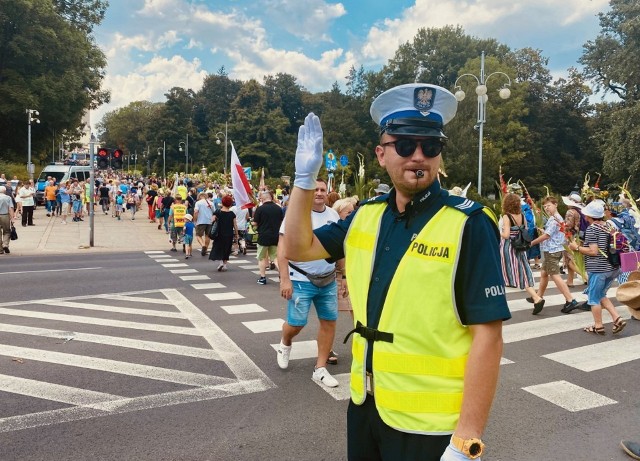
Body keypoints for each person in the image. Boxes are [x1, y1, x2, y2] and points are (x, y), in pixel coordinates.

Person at [284, 84, 511, 460]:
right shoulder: (365, 215)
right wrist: (304, 182)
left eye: (430, 146)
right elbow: (296, 246)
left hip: (431, 427)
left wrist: (467, 441)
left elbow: (489, 335)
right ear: (381, 154)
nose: (418, 156)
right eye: (405, 145)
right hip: (366, 404)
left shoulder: (469, 223)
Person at [277, 178, 341, 388]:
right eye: (315, 190)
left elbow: (340, 246)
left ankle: (320, 369)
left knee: (329, 322)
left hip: (328, 278)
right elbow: (283, 247)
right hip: (301, 277)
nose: (319, 193)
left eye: (323, 190)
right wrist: (284, 279)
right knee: (296, 323)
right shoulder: (297, 215)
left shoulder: (333, 215)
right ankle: (285, 342)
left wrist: (344, 275)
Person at [568, 201, 626, 335]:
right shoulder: (609, 226)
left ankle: (598, 326)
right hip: (613, 267)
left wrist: (576, 247)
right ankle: (617, 318)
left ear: (589, 216)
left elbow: (593, 251)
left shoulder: (592, 229)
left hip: (599, 269)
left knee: (593, 298)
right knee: (601, 295)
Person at [529, 196, 584, 314]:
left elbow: (547, 236)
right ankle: (538, 296)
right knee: (544, 273)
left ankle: (570, 300)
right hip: (554, 249)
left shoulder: (555, 219)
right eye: (544, 206)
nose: (546, 208)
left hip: (552, 251)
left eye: (548, 205)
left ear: (555, 205)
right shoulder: (555, 218)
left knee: (555, 275)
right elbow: (552, 234)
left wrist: (532, 243)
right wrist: (544, 231)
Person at [499, 193, 545, 314]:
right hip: (521, 247)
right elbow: (525, 230)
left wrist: (499, 231)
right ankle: (535, 297)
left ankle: (536, 298)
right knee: (522, 270)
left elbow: (506, 235)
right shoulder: (522, 215)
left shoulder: (506, 217)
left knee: (511, 272)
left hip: (509, 247)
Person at [252, 190, 283, 285]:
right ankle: (282, 274)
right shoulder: (278, 208)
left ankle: (263, 277)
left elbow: (255, 223)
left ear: (263, 198)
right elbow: (281, 222)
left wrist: (251, 223)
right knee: (275, 257)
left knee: (261, 257)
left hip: (263, 236)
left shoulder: (260, 209)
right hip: (275, 235)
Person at [208, 195, 238, 272]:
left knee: (218, 248)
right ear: (230, 204)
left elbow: (212, 220)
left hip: (219, 234)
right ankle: (224, 265)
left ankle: (220, 262)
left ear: (222, 202)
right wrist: (236, 234)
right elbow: (235, 225)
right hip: (229, 234)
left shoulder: (218, 212)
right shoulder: (232, 214)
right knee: (227, 249)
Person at [561, 194, 584, 287]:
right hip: (578, 236)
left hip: (571, 236)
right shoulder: (581, 211)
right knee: (571, 258)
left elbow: (568, 225)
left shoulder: (570, 212)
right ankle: (569, 281)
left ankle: (585, 277)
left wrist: (562, 227)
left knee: (570, 260)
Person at [0, 186, 16, 254]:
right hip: (5, 215)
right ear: (5, 191)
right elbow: (10, 208)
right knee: (7, 231)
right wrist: (12, 218)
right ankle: (5, 244)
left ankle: (0, 249)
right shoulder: (8, 198)